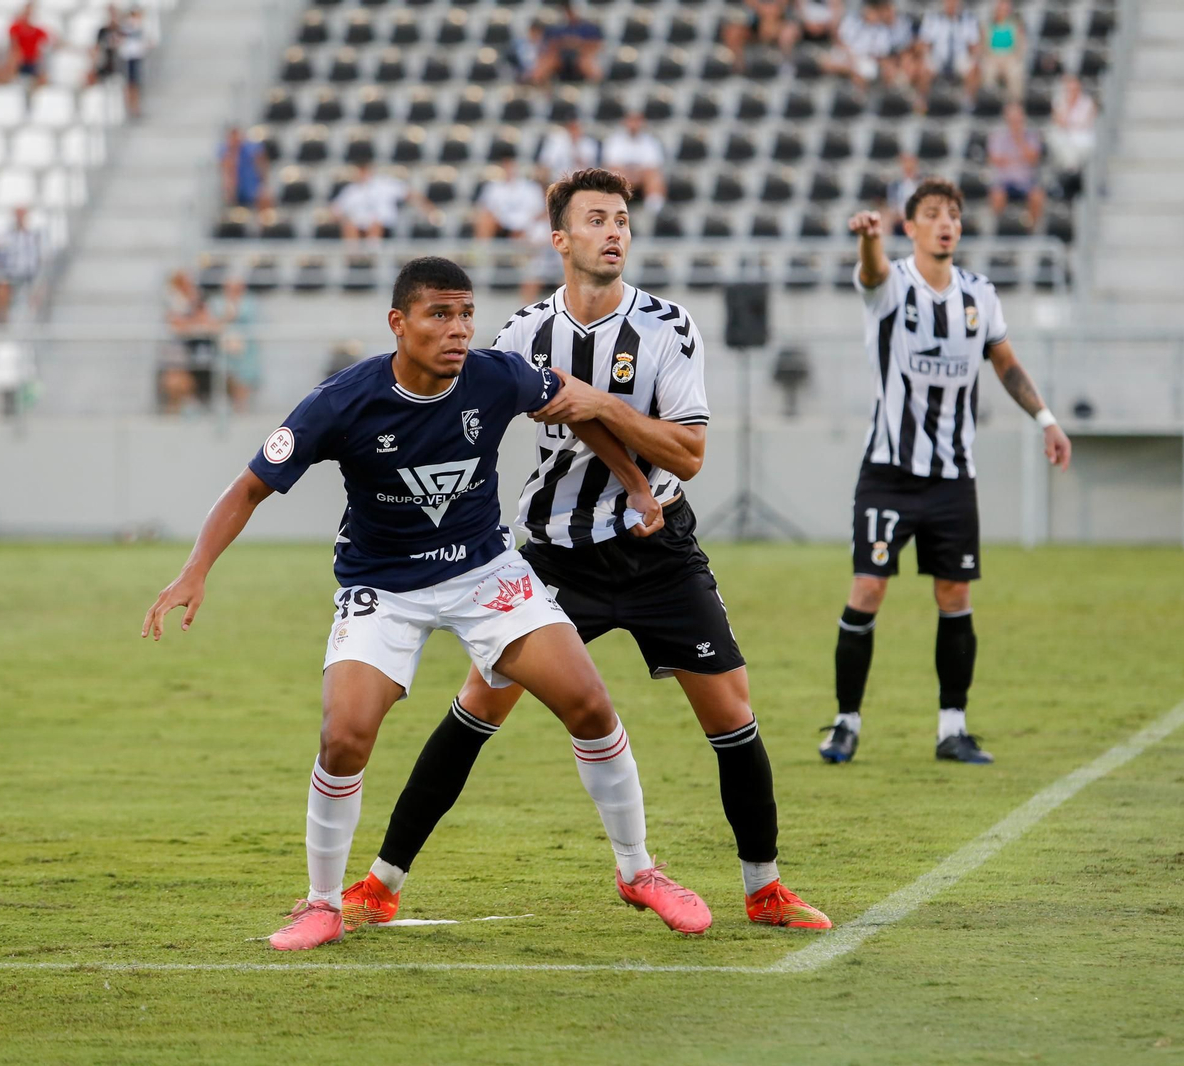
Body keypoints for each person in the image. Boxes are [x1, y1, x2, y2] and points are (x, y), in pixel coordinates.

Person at [142, 256, 711, 951]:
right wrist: (195, 571)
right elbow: (249, 487)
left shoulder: (496, 374)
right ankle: (322, 903)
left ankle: (639, 872)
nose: (459, 330)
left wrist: (636, 484)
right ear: (398, 323)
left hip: (485, 574)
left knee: (589, 704)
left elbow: (576, 407)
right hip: (382, 587)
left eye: (466, 313)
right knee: (345, 734)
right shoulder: (342, 401)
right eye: (440, 315)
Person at [341, 170, 833, 936]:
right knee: (476, 708)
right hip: (556, 559)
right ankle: (381, 882)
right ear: (561, 239)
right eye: (597, 219)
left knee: (731, 712)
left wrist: (604, 408)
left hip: (658, 549)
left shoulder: (669, 327)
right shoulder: (520, 335)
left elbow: (693, 453)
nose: (614, 231)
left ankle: (765, 889)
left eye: (623, 220)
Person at [820, 180, 1072, 766]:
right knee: (867, 588)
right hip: (888, 470)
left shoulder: (980, 295)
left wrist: (1047, 420)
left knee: (955, 594)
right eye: (932, 214)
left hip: (954, 474)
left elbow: (1006, 365)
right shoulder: (891, 285)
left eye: (953, 215)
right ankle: (845, 722)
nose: (945, 223)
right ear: (911, 227)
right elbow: (873, 274)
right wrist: (869, 242)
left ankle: (952, 728)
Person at [331, 162, 440, 243]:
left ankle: (373, 253)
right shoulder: (351, 190)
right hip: (359, 224)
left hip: (383, 224)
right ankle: (353, 257)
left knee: (375, 225)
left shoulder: (384, 184)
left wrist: (429, 209)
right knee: (350, 226)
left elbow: (409, 194)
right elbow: (336, 210)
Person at [160, 269, 219, 413]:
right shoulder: (174, 302)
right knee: (176, 380)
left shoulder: (197, 301)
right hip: (179, 352)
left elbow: (210, 322)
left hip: (198, 351)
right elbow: (177, 325)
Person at [988, 103, 1045, 228]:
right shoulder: (998, 135)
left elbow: (1033, 159)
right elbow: (996, 160)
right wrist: (1019, 159)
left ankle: (1032, 229)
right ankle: (999, 228)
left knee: (1037, 196)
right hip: (1005, 181)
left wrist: (1019, 139)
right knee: (997, 195)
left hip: (1026, 181)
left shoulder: (1031, 135)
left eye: (1017, 119)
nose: (1015, 122)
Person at [602, 111, 667, 215]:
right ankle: (613, 207)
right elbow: (612, 165)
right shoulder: (614, 141)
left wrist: (636, 175)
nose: (633, 125)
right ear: (625, 122)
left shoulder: (651, 142)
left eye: (637, 121)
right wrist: (631, 175)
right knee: (613, 174)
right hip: (623, 178)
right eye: (631, 121)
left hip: (642, 180)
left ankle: (654, 212)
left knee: (654, 177)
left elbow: (653, 167)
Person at [916, 0, 982, 103]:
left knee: (973, 69)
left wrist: (974, 60)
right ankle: (923, 102)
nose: (952, 4)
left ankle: (969, 103)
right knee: (923, 68)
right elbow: (924, 43)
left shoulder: (968, 18)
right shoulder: (932, 17)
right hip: (938, 57)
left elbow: (974, 45)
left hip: (960, 57)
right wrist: (926, 57)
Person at [213, 276, 261, 413]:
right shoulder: (217, 301)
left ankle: (241, 407)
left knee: (244, 377)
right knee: (227, 375)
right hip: (224, 347)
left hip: (246, 348)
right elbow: (216, 320)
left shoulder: (250, 302)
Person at [1046, 75, 1098, 196]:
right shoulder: (1060, 101)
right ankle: (1071, 174)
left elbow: (1085, 123)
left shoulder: (1087, 102)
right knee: (1059, 141)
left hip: (1081, 138)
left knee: (1071, 149)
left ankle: (1067, 178)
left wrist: (1069, 124)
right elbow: (1058, 121)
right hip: (1065, 138)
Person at [473, 160, 547, 241]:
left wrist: (524, 225)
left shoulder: (531, 188)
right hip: (501, 223)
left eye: (511, 167)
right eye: (506, 167)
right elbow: (486, 209)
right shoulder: (493, 187)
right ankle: (482, 251)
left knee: (541, 230)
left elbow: (540, 211)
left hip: (527, 224)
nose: (509, 170)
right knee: (484, 220)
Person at [533, 4, 604, 87]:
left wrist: (577, 44)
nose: (569, 13)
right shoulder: (554, 27)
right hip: (559, 56)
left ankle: (598, 87)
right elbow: (548, 45)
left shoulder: (589, 27)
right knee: (545, 63)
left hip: (581, 55)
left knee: (587, 63)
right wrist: (565, 43)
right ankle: (539, 89)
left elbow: (597, 45)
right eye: (567, 10)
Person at [0, 206, 42, 321]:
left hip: (30, 273)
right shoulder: (7, 235)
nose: (20, 218)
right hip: (11, 273)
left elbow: (41, 256)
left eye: (22, 215)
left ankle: (34, 319)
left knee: (40, 286)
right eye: (18, 215)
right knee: (1, 285)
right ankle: (4, 319)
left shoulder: (34, 235)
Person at [978, 0, 1027, 103]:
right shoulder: (988, 26)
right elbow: (984, 47)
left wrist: (1014, 57)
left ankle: (1014, 103)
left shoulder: (1015, 26)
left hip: (1010, 57)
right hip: (992, 58)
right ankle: (991, 101)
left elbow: (1020, 47)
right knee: (988, 71)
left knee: (1015, 72)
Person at [219, 126, 271, 213]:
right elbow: (227, 177)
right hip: (237, 191)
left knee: (264, 198)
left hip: (251, 188)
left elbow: (262, 164)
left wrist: (263, 184)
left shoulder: (251, 149)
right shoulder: (226, 153)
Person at [536, 119, 601, 183]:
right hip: (558, 180)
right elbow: (546, 164)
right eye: (572, 128)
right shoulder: (557, 142)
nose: (574, 132)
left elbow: (589, 167)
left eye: (576, 128)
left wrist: (575, 148)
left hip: (581, 181)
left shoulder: (589, 143)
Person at [7, 3, 53, 89]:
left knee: (44, 64)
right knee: (13, 58)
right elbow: (13, 44)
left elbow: (49, 41)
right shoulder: (15, 28)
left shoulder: (38, 30)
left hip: (33, 60)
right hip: (20, 60)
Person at [117, 5, 148, 119]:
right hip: (128, 58)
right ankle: (131, 107)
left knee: (134, 83)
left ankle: (134, 106)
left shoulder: (138, 25)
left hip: (135, 57)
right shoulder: (129, 25)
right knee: (130, 84)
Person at [87, 4, 121, 86]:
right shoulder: (102, 31)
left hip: (120, 66)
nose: (112, 18)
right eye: (110, 15)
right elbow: (96, 48)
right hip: (105, 65)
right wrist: (93, 66)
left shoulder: (122, 30)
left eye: (114, 15)